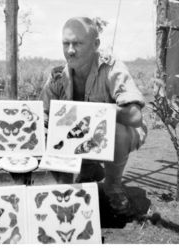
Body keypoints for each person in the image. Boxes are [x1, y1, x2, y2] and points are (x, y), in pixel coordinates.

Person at [40, 17, 147, 214]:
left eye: (78, 43)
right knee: (46, 133)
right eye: (66, 43)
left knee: (118, 130)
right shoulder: (57, 77)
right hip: (78, 139)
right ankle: (85, 171)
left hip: (115, 134)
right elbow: (44, 118)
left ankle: (113, 186)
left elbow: (134, 116)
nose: (71, 50)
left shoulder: (112, 68)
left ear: (95, 44)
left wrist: (96, 113)